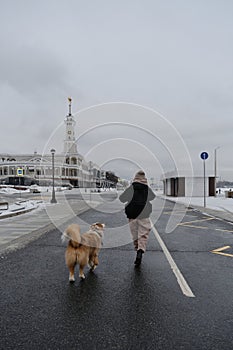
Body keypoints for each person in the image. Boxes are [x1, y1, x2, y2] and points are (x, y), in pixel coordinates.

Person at [119, 170, 156, 266]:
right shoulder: (146, 188)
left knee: (135, 234)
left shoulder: (131, 188)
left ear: (135, 178)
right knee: (143, 234)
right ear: (144, 179)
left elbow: (122, 198)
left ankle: (137, 248)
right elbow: (152, 197)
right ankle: (140, 251)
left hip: (132, 214)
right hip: (144, 214)